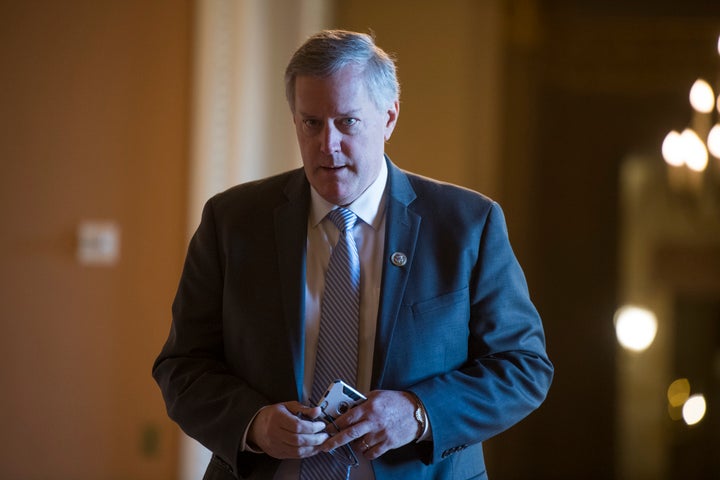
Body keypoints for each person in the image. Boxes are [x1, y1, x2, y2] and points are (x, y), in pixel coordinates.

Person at [153, 29, 553, 480]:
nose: (328, 144)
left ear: (389, 117)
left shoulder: (466, 224)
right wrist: (254, 423)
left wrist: (420, 413)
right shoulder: (232, 220)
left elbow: (523, 368)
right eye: (311, 123)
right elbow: (182, 365)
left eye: (348, 122)